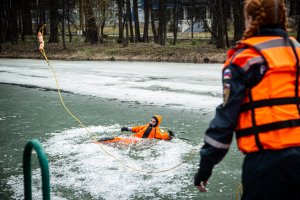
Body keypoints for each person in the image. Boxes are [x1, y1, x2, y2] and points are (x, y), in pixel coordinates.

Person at [194, 0, 300, 199]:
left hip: (267, 163)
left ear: (250, 19)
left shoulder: (246, 57)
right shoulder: (297, 51)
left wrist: (205, 166)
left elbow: (225, 121)